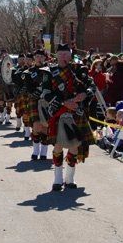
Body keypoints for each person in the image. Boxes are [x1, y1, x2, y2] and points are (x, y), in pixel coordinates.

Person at [41, 44, 96, 191]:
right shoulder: (49, 72)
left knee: (75, 146)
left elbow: (91, 87)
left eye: (67, 54)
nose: (64, 56)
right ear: (56, 55)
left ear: (70, 55)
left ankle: (69, 178)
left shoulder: (79, 69)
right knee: (58, 145)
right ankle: (57, 179)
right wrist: (65, 102)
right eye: (61, 54)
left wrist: (84, 94)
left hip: (76, 112)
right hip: (59, 112)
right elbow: (45, 93)